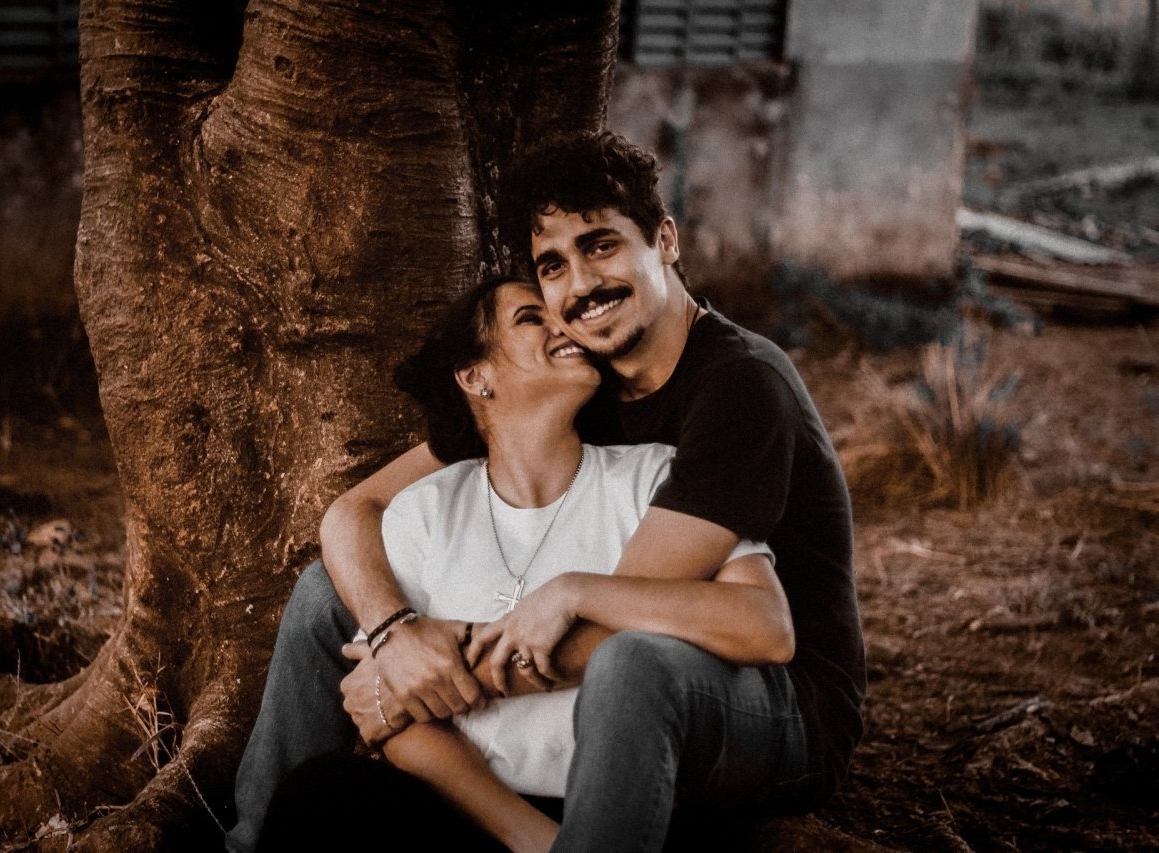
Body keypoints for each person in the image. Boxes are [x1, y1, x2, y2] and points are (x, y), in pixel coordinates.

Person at [227, 130, 865, 852]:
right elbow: (355, 512)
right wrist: (393, 636)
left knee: (630, 664)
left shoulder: (739, 387)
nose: (581, 286)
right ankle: (250, 842)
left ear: (665, 240)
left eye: (601, 246)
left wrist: (413, 685)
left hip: (772, 702)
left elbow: (617, 618)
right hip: (618, 673)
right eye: (553, 267)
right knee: (327, 594)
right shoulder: (582, 379)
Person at [256, 275, 782, 852]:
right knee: (316, 799)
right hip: (484, 810)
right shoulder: (426, 509)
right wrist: (533, 838)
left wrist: (575, 592)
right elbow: (397, 716)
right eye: (533, 317)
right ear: (475, 376)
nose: (565, 325)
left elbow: (761, 621)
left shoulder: (653, 476)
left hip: (627, 806)